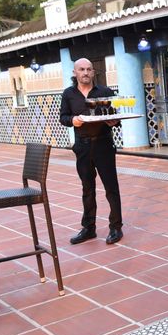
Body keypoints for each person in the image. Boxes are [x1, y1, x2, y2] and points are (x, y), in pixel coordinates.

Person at [59, 58, 124, 245]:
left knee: (111, 187)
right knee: (87, 188)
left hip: (104, 144)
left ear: (93, 72)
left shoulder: (105, 92)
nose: (85, 72)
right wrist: (72, 120)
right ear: (75, 72)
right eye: (81, 69)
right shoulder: (69, 94)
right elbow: (63, 117)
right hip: (82, 146)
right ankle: (89, 228)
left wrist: (114, 121)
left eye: (89, 69)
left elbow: (116, 116)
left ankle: (116, 227)